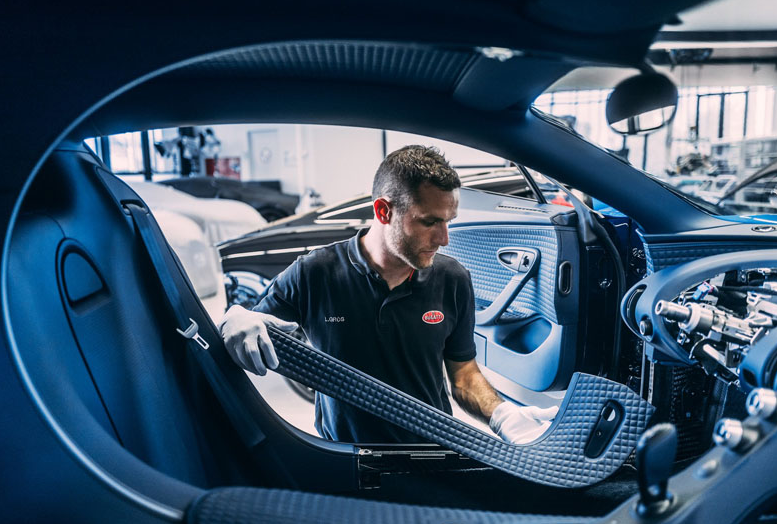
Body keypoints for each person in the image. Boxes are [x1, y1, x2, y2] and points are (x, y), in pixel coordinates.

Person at [219, 145, 557, 445]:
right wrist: (235, 318)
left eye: (448, 221)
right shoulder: (314, 273)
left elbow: (463, 375)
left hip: (432, 450)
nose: (444, 238)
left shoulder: (453, 279)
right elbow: (254, 327)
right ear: (384, 212)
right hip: (347, 458)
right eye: (429, 222)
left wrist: (502, 415)